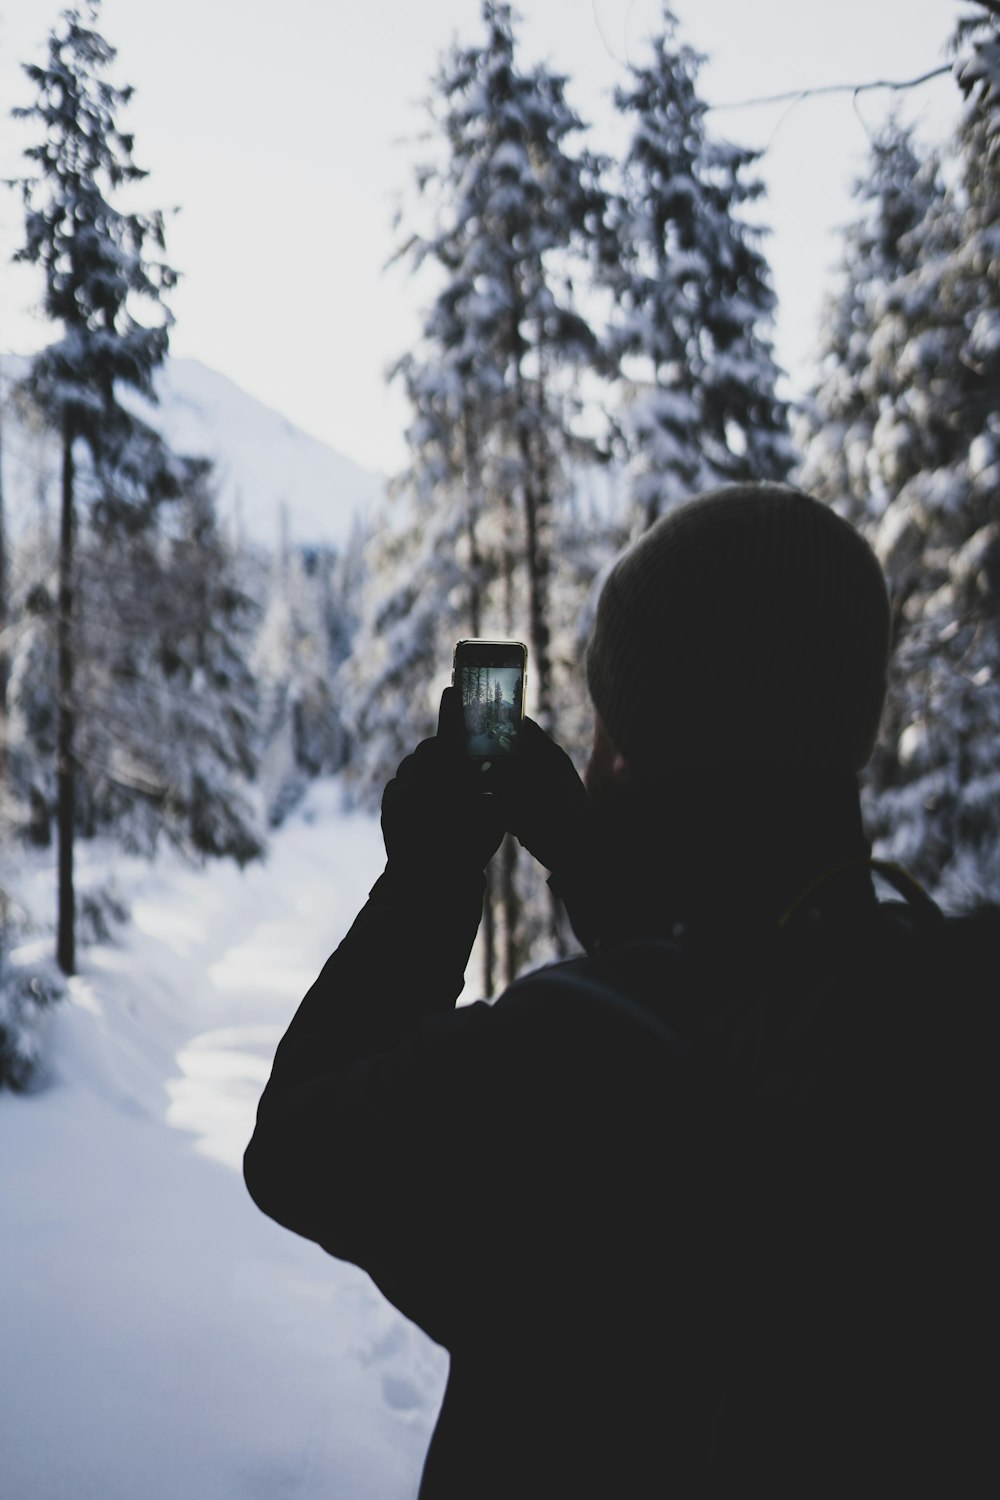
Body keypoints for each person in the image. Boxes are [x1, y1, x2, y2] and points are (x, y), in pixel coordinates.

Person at [244, 483, 993, 1498]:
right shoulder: (944, 1003)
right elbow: (743, 995)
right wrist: (602, 866)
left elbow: (299, 1146)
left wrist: (429, 878)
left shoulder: (560, 1070)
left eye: (607, 729)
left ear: (636, 754)